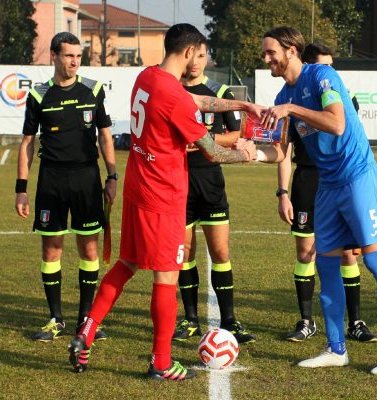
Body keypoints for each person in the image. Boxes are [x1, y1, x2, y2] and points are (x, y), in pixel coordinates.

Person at [69, 23, 258, 381]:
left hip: (138, 188)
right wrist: (246, 153)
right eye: (197, 54)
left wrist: (242, 104)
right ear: (189, 53)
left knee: (125, 264)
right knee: (166, 278)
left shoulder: (148, 77)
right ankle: (160, 361)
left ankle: (86, 332)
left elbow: (199, 101)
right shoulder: (173, 96)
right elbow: (214, 152)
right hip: (164, 196)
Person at [258, 26, 377, 375]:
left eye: (271, 52)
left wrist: (291, 109)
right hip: (327, 186)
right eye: (265, 53)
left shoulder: (322, 76)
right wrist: (248, 152)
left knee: (374, 261)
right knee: (326, 266)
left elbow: (338, 123)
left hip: (357, 177)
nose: (266, 58)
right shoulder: (286, 94)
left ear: (291, 51)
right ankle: (335, 347)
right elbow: (279, 151)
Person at [15, 32, 117, 342]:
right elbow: (28, 143)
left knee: (89, 248)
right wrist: (21, 187)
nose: (74, 61)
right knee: (51, 248)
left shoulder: (93, 90)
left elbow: (105, 136)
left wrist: (112, 176)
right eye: (68, 55)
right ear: (54, 57)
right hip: (52, 180)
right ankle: (55, 319)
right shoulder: (38, 95)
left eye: (78, 56)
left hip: (86, 178)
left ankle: (86, 320)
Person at [277, 42, 377, 343]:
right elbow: (283, 150)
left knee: (349, 254)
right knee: (305, 251)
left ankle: (356, 322)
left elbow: (344, 129)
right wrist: (282, 192)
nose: (330, 72)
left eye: (332, 66)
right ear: (309, 67)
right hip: (307, 178)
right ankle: (306, 321)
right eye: (325, 65)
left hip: (341, 178)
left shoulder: (341, 93)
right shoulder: (292, 95)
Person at [173, 42, 255, 344]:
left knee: (221, 253)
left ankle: (230, 320)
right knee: (186, 254)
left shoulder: (220, 95)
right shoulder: (174, 93)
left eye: (202, 56)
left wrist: (204, 140)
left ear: (207, 59)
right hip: (179, 182)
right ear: (183, 57)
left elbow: (237, 134)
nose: (195, 62)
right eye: (191, 55)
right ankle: (191, 319)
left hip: (211, 182)